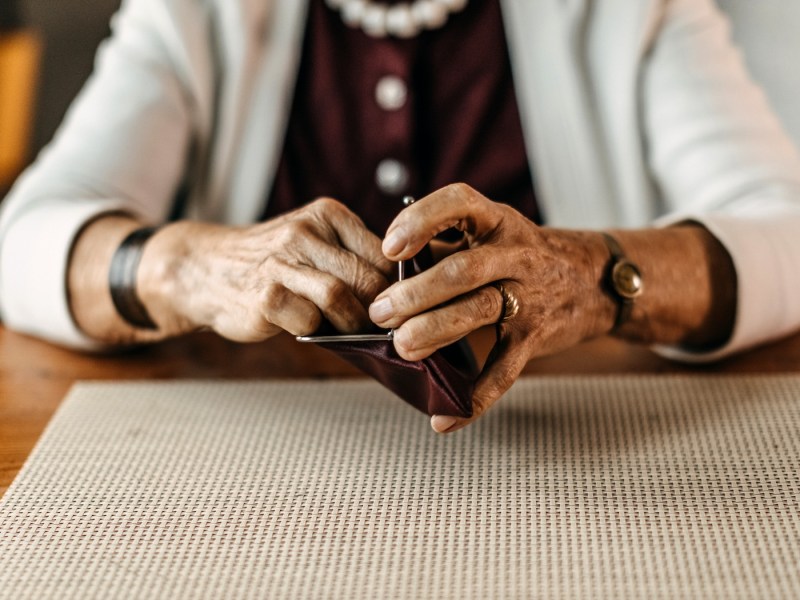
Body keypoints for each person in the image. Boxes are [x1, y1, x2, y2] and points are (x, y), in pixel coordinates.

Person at [2, 0, 800, 434]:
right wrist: (192, 266)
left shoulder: (638, 11)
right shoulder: (194, 14)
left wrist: (591, 276)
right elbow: (22, 244)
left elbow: (787, 230)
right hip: (274, 469)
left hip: (582, 463)